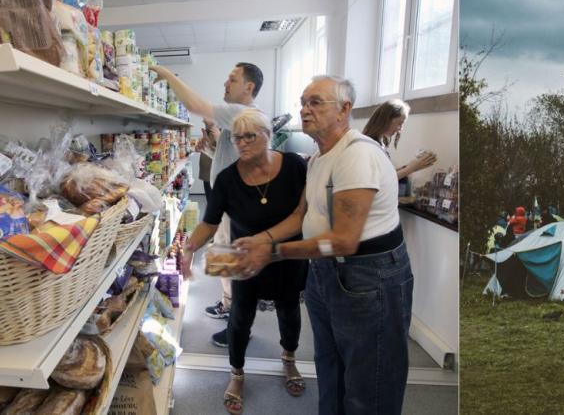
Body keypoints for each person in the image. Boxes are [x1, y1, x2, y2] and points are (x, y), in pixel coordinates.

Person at [234, 75, 413, 415]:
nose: (304, 110)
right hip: (325, 275)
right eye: (303, 102)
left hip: (368, 280)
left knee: (369, 383)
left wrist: (273, 253)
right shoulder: (318, 158)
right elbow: (303, 213)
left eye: (315, 102)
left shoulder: (356, 156)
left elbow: (344, 241)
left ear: (345, 109)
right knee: (330, 368)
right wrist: (260, 239)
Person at [182, 109, 308, 414]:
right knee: (240, 316)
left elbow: (301, 214)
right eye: (237, 137)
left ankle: (289, 361)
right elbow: (210, 223)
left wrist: (265, 240)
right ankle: (236, 374)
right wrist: (188, 248)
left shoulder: (293, 165)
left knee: (288, 310)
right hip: (243, 256)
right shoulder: (226, 178)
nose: (242, 143)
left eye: (250, 135)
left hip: (285, 254)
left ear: (268, 135)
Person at [150, 62, 263, 347]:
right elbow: (233, 158)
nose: (226, 83)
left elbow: (195, 104)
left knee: (233, 267)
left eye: (232, 78)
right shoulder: (241, 119)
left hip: (238, 209)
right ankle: (228, 307)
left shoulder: (242, 112)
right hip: (231, 206)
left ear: (248, 87)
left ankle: (239, 328)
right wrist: (212, 147)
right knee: (225, 263)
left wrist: (166, 74)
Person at [362, 99, 437, 179]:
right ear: (386, 120)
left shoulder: (380, 142)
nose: (400, 129)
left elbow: (386, 173)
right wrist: (410, 169)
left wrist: (411, 166)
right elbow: (382, 180)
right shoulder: (369, 146)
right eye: (399, 123)